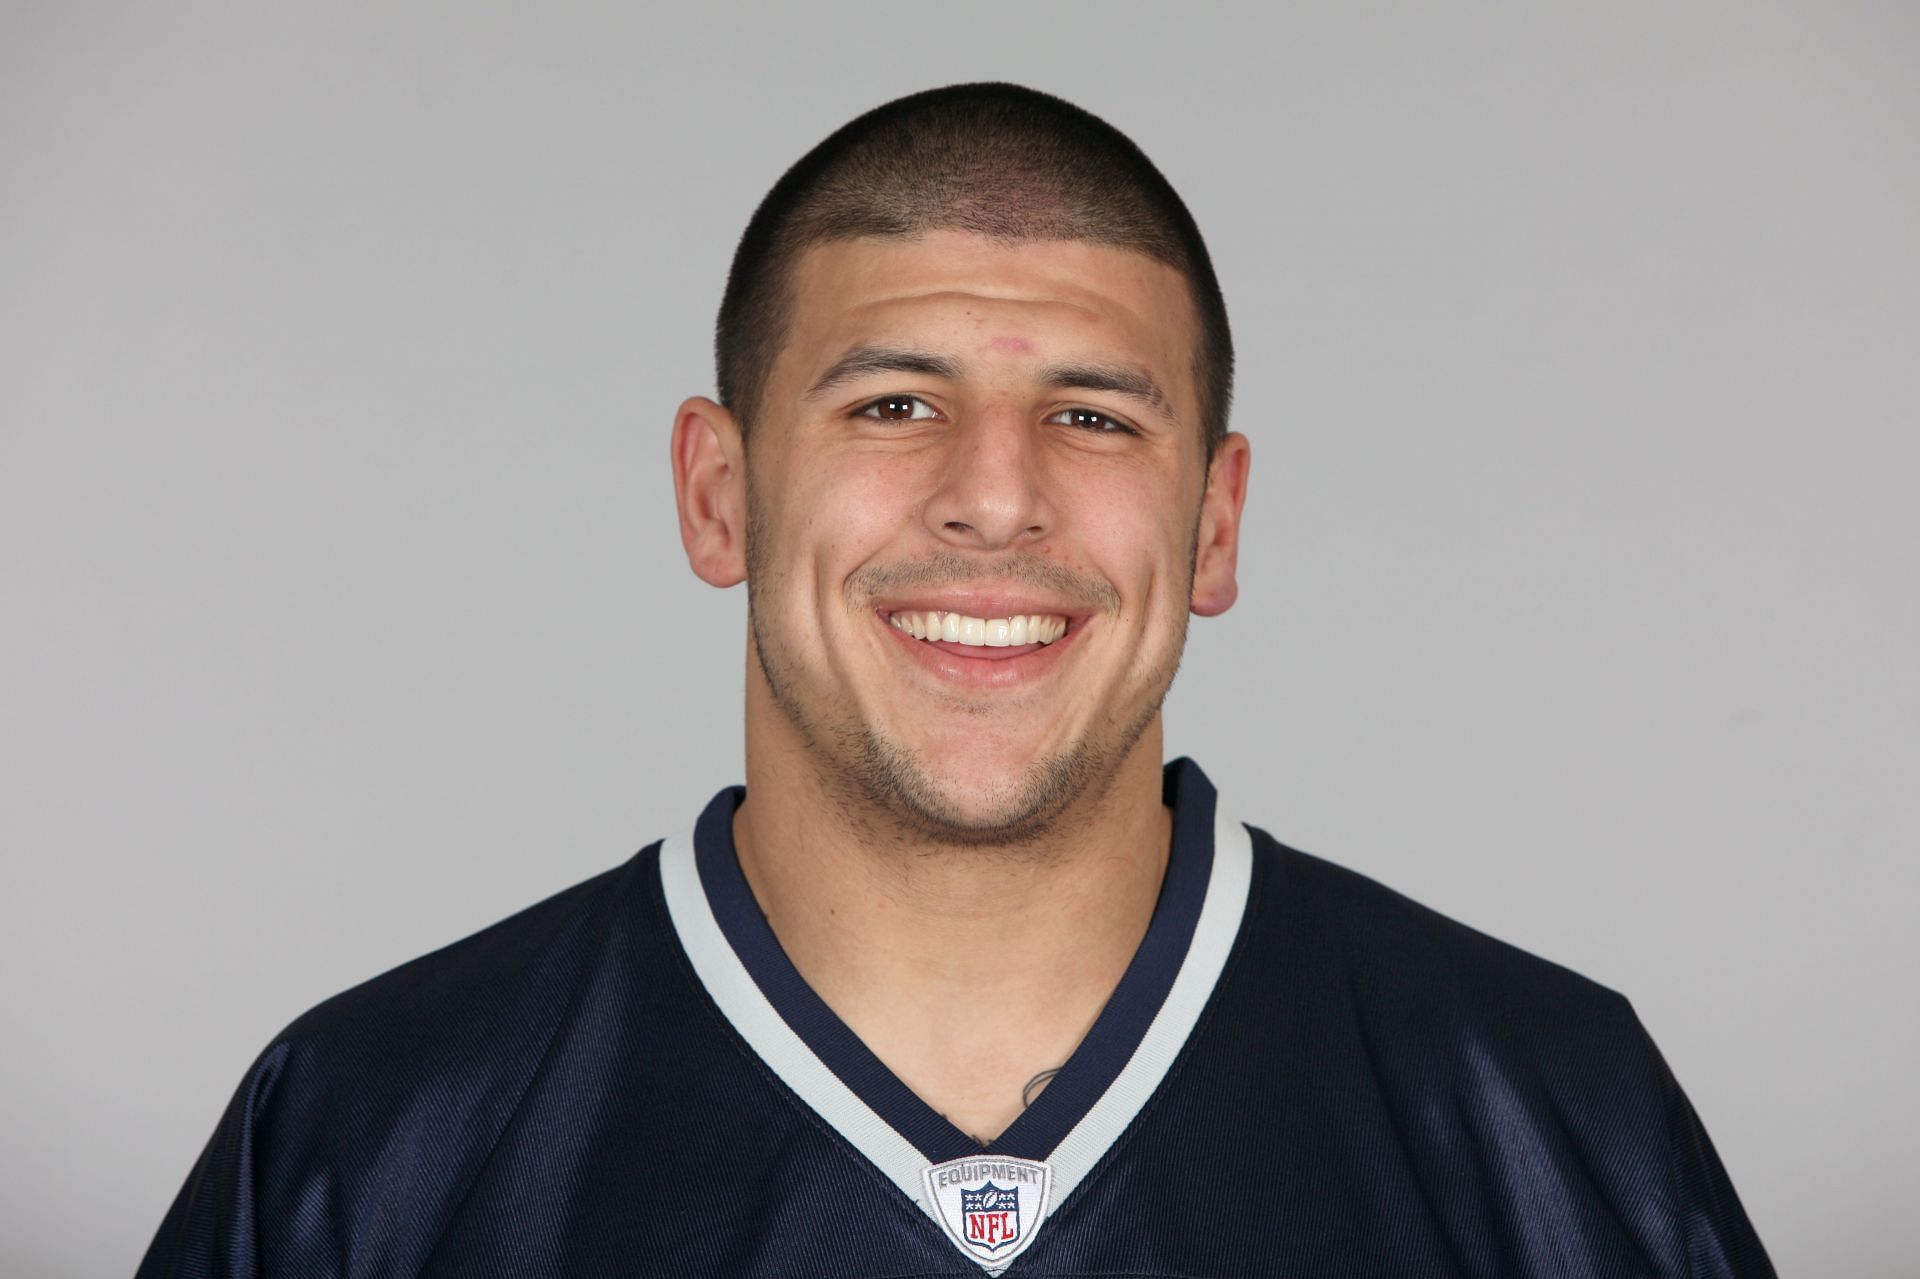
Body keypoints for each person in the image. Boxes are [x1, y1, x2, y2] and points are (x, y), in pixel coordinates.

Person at [137, 82, 1773, 1278]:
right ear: (720, 495)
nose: (996, 498)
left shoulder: (1552, 1112)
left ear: (1214, 526)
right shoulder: (371, 1134)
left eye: (1095, 415)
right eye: (893, 406)